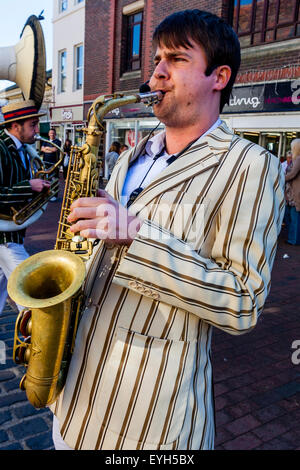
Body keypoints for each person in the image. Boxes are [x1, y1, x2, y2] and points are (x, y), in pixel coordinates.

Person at [51, 9, 285, 450]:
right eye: (157, 58)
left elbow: (242, 303)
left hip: (150, 421)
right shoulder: (128, 158)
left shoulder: (251, 166)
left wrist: (135, 237)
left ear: (218, 76)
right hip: (73, 403)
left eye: (176, 59)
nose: (156, 71)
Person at [0, 99, 50, 315]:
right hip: (5, 240)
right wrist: (28, 186)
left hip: (13, 235)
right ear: (15, 126)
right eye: (33, 125)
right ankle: (39, 341)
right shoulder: (1, 149)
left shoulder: (24, 149)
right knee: (31, 294)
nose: (37, 130)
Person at [284, 138, 300, 245]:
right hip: (290, 194)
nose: (291, 149)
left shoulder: (298, 159)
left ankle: (293, 240)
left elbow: (292, 174)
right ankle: (292, 238)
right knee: (289, 216)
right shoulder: (295, 159)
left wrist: (281, 177)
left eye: (292, 146)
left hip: (295, 194)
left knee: (294, 218)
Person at [40, 128, 62, 200]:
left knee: (54, 179)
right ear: (48, 134)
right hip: (45, 162)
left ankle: (55, 196)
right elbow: (42, 149)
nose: (52, 134)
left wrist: (46, 149)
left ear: (55, 134)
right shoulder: (45, 141)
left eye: (53, 133)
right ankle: (48, 194)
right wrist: (49, 149)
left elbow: (55, 150)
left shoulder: (58, 141)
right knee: (46, 179)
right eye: (50, 133)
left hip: (54, 163)